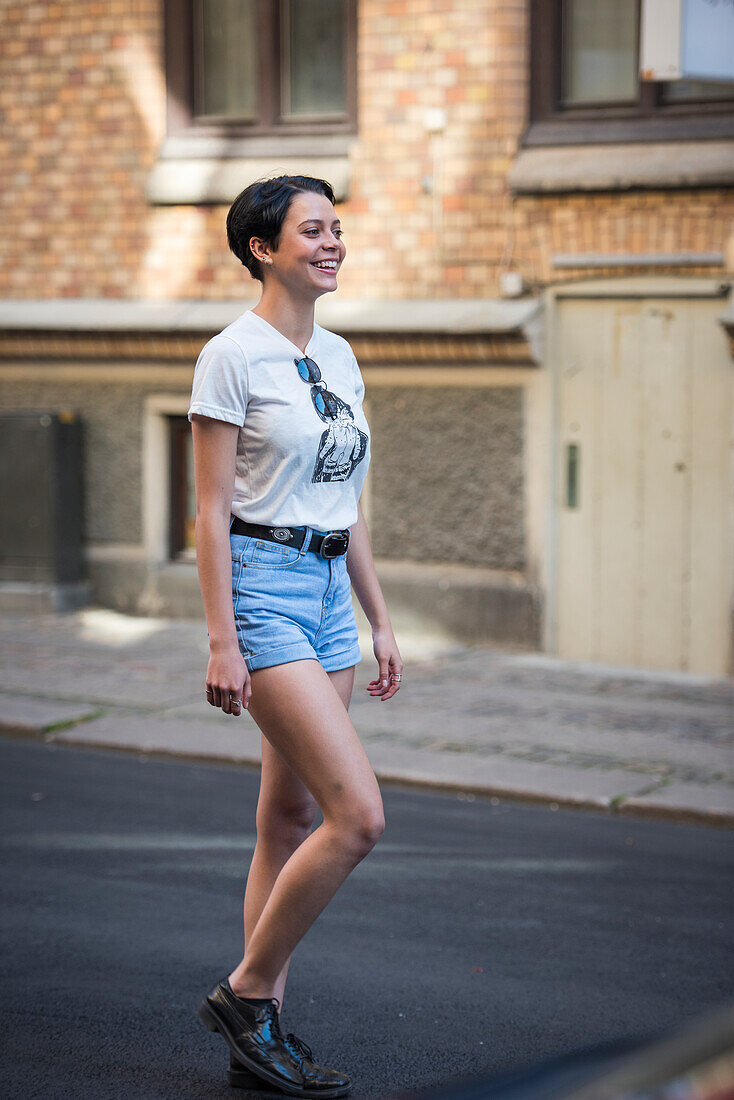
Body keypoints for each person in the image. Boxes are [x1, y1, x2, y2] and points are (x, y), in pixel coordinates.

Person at [187, 174, 403, 1097]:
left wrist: (379, 615)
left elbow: (345, 502)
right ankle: (244, 996)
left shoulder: (343, 356)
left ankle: (258, 1033)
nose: (332, 242)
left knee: (290, 818)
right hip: (263, 589)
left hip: (325, 593)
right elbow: (205, 515)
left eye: (337, 227)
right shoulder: (230, 355)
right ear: (263, 250)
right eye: (312, 230)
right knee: (359, 818)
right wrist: (222, 638)